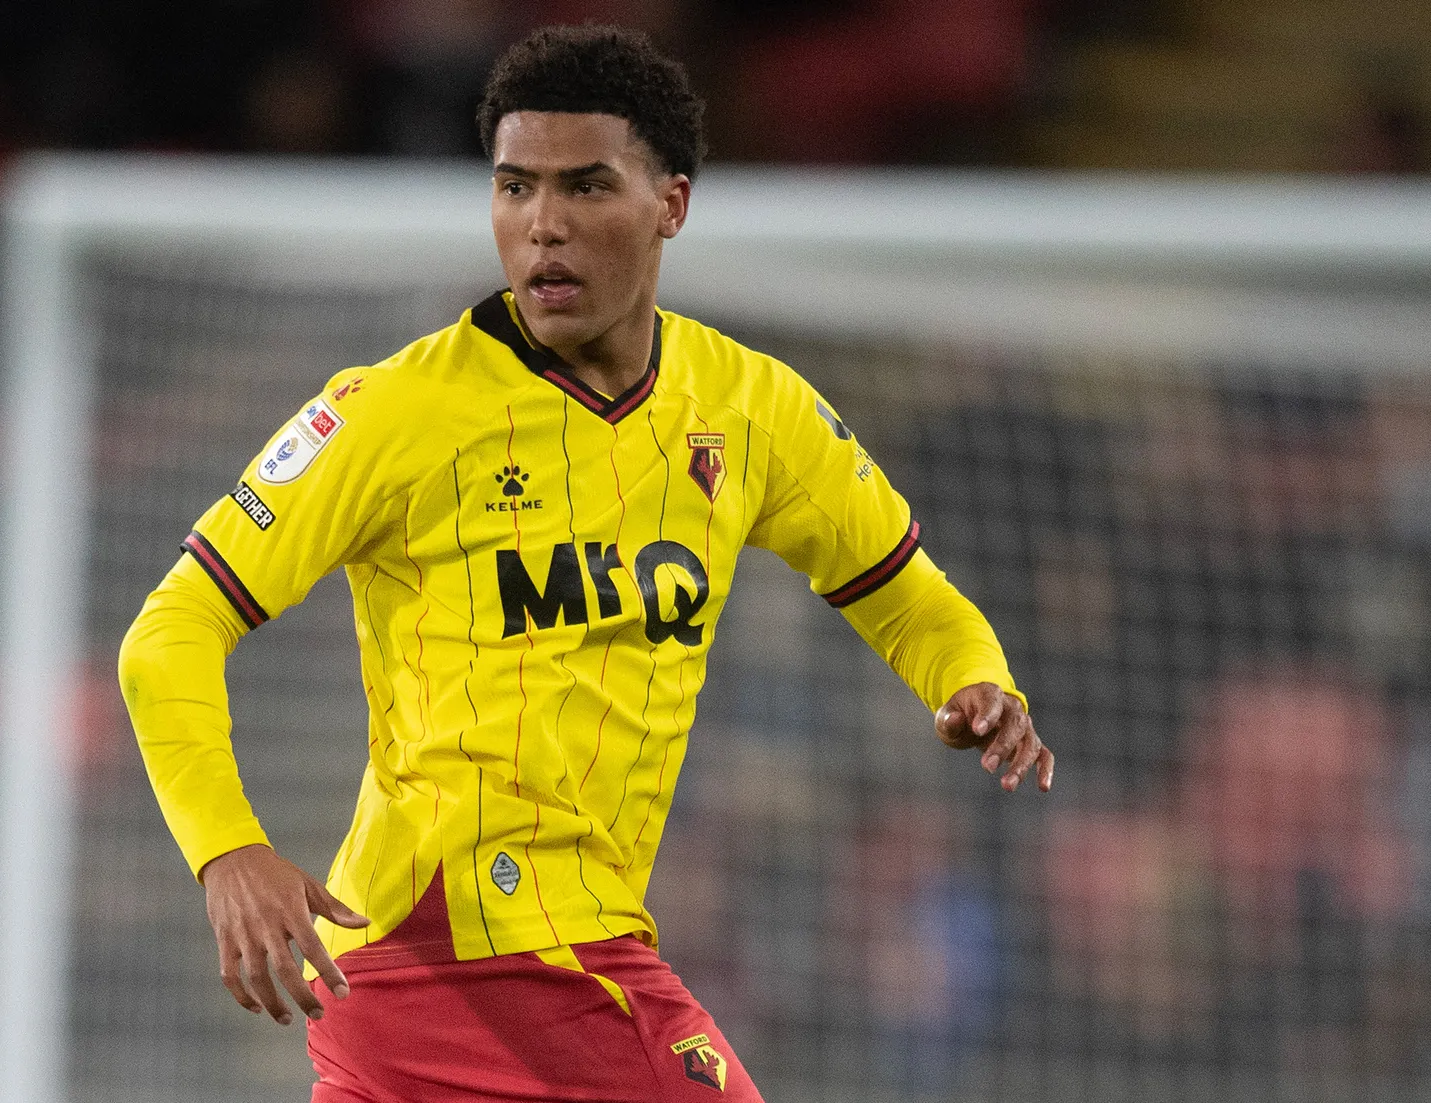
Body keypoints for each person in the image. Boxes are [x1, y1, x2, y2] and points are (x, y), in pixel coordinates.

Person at [115, 26, 1052, 1102]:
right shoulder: (394, 413)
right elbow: (170, 629)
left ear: (671, 204)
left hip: (540, 948)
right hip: (465, 946)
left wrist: (973, 679)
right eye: (514, 187)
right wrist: (227, 850)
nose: (543, 225)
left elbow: (911, 600)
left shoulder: (749, 410)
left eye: (585, 186)